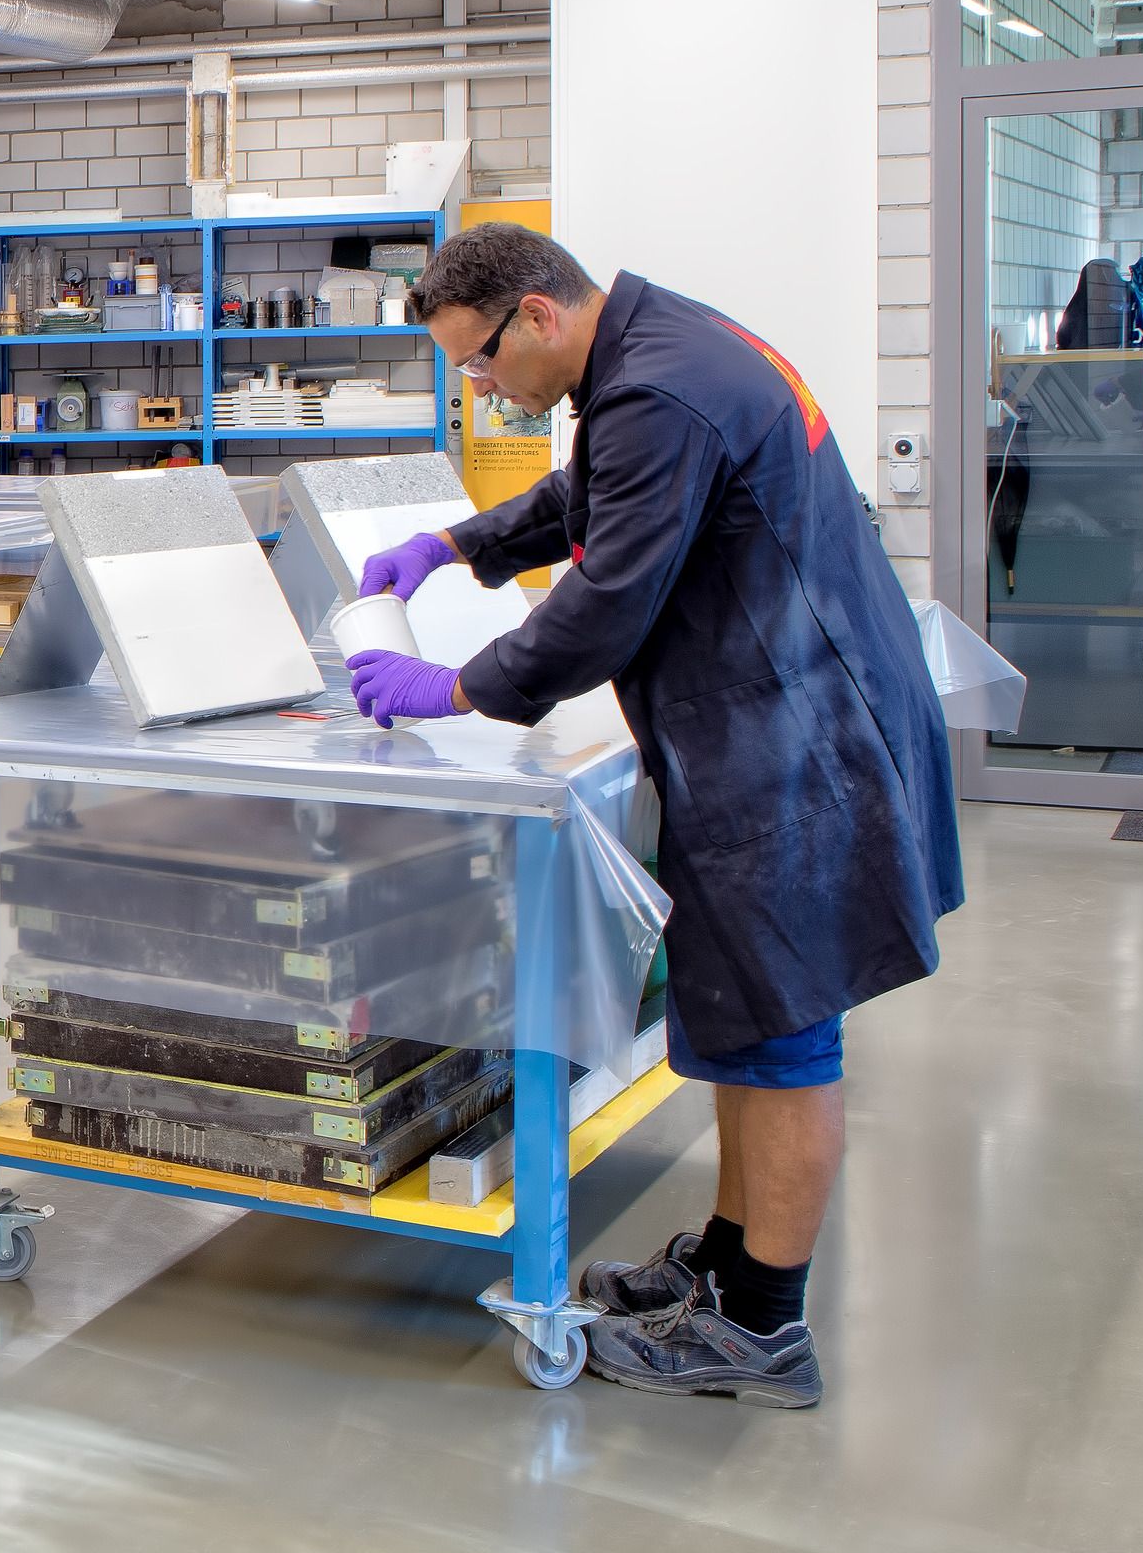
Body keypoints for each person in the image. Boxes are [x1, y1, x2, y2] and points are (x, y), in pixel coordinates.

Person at [342, 220, 958, 1410]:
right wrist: (458, 544)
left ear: (536, 314)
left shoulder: (659, 387)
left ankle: (762, 1331)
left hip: (795, 748)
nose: (481, 387)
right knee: (745, 1020)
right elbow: (593, 495)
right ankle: (732, 1269)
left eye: (477, 360)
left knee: (783, 1038)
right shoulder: (657, 352)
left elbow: (608, 603)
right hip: (787, 722)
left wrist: (457, 689)